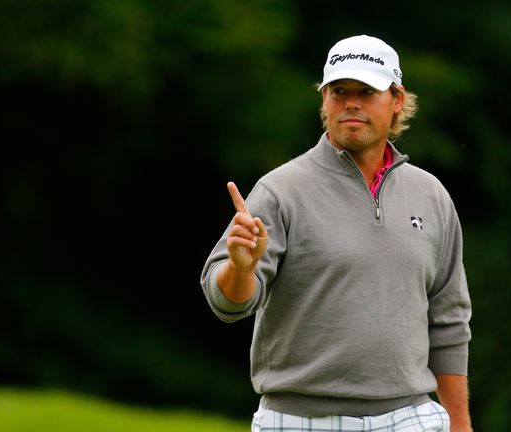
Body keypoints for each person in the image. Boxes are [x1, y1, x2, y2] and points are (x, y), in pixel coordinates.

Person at [201, 34, 472, 432]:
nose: (351, 104)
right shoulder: (281, 190)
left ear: (397, 100)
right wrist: (241, 269)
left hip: (409, 416)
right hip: (297, 419)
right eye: (339, 91)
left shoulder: (430, 194)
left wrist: (459, 423)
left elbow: (448, 321)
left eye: (367, 91)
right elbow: (227, 304)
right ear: (324, 100)